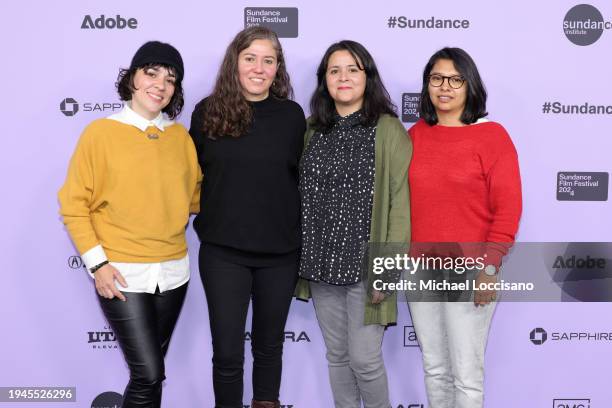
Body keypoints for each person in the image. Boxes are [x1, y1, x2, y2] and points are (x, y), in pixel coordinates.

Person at [58, 41, 201, 407]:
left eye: (170, 79)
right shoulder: (100, 133)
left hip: (174, 273)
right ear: (132, 78)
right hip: (121, 274)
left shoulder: (180, 138)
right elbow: (74, 205)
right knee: (148, 374)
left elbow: (194, 197)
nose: (160, 85)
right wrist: (98, 265)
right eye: (151, 73)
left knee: (150, 378)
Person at [189, 26, 306, 408]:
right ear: (234, 62)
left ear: (278, 68)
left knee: (270, 350)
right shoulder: (207, 112)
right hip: (224, 254)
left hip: (280, 255)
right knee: (227, 355)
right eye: (250, 58)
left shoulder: (292, 116)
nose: (259, 68)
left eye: (268, 60)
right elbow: (190, 178)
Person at [297, 40, 412, 408]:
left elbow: (399, 205)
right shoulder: (312, 129)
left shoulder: (388, 129)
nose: (343, 77)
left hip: (367, 266)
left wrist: (387, 270)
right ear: (324, 81)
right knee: (338, 356)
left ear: (368, 77)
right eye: (334, 70)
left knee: (365, 358)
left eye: (353, 69)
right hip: (320, 264)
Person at [407, 47, 522, 408]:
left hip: (470, 268)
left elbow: (508, 210)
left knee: (467, 376)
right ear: (427, 85)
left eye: (455, 79)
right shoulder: (415, 135)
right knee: (435, 368)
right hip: (419, 268)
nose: (445, 87)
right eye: (437, 78)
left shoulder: (492, 137)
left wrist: (490, 267)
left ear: (469, 85)